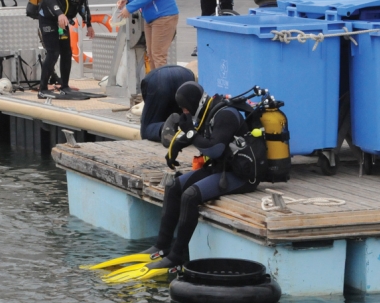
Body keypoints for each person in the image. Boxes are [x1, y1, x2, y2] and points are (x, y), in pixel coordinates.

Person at [100, 82, 260, 282]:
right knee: (174, 186)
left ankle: (177, 256)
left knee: (190, 196)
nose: (184, 111)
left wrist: (191, 134)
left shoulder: (225, 114)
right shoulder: (207, 110)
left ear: (194, 103)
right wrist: (175, 148)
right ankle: (162, 246)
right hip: (221, 169)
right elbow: (194, 133)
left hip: (241, 176)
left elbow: (215, 149)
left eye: (186, 107)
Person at [37, 0, 95, 99]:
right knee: (53, 52)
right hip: (48, 19)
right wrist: (59, 14)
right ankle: (42, 89)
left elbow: (82, 4)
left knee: (66, 52)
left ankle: (65, 86)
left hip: (62, 22)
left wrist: (89, 24)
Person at [139, 65, 195, 144]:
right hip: (185, 75)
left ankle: (162, 128)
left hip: (157, 80)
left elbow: (148, 100)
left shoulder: (151, 79)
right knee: (188, 113)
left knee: (146, 128)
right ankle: (194, 130)